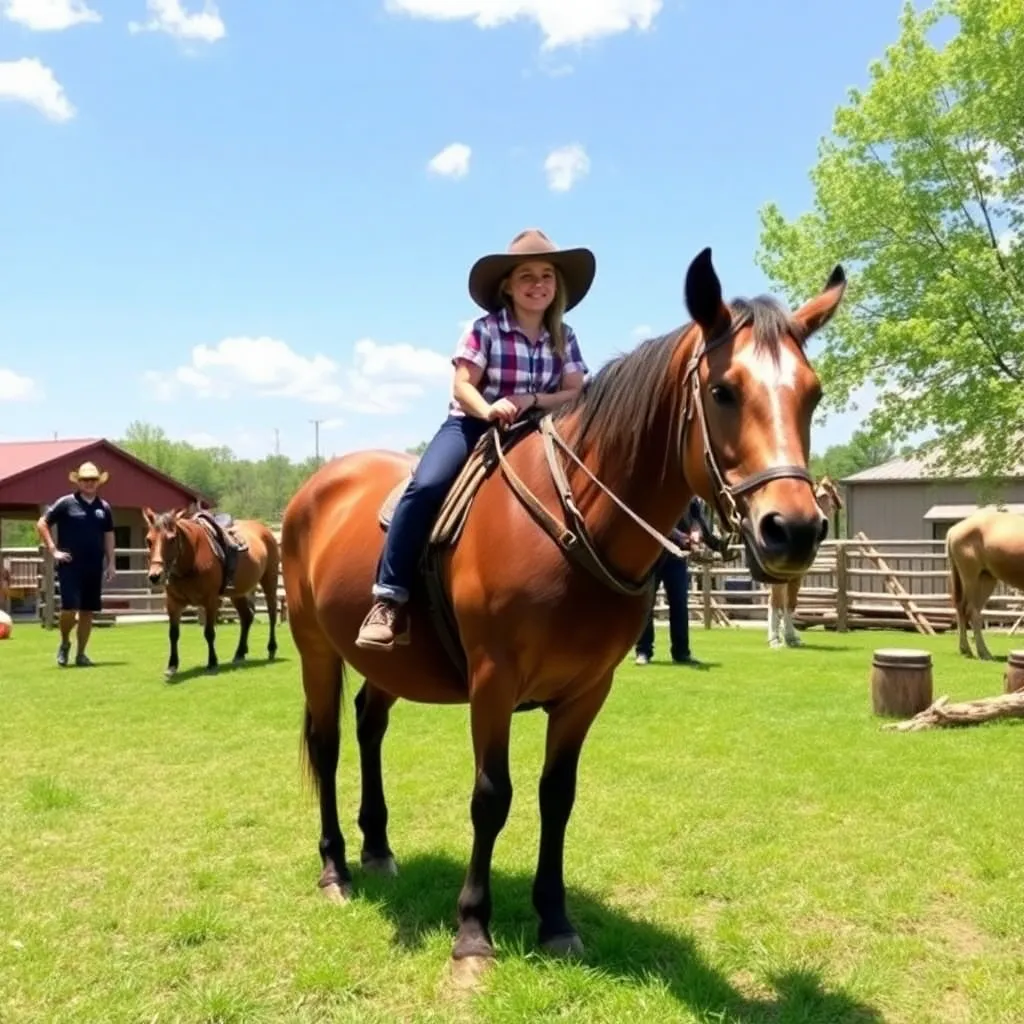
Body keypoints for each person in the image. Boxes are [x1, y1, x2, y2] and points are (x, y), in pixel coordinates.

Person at [356, 227, 595, 650]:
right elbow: (462, 385)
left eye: (546, 276)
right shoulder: (485, 330)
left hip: (542, 431)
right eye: (526, 276)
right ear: (507, 286)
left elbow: (576, 391)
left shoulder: (565, 335)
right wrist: (488, 409)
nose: (537, 285)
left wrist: (530, 399)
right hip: (473, 425)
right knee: (426, 485)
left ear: (556, 285)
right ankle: (388, 599)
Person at [36, 460, 116, 667]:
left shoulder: (104, 507)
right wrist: (53, 549)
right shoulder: (66, 503)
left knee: (88, 611)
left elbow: (108, 535)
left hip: (94, 566)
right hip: (70, 565)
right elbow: (42, 523)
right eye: (85, 479)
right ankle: (64, 643)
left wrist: (111, 562)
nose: (89, 483)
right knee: (69, 608)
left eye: (93, 479)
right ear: (78, 482)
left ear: (98, 482)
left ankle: (81, 654)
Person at [634, 496, 728, 666]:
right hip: (652, 554)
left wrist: (696, 531)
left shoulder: (689, 496)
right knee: (647, 605)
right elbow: (654, 521)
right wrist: (679, 536)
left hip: (677, 556)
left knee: (679, 605)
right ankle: (643, 651)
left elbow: (696, 517)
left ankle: (681, 652)